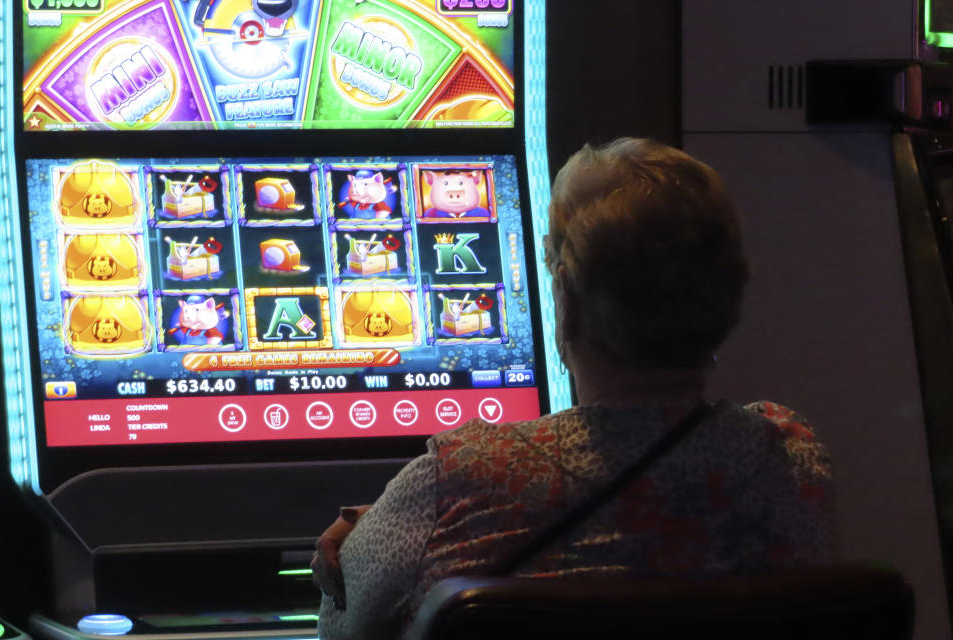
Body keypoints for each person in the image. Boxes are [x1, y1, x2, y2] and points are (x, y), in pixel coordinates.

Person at [312, 138, 833, 640]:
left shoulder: (463, 478)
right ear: (731, 290)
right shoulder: (786, 459)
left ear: (565, 293)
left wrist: (387, 525)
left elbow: (339, 625)